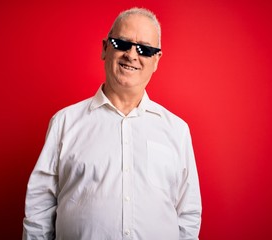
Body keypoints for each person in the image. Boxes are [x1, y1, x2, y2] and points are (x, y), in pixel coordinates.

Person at [23, 7, 202, 240]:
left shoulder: (177, 130)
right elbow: (39, 209)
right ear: (105, 48)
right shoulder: (64, 123)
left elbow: (188, 214)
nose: (131, 55)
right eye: (122, 44)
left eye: (145, 49)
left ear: (156, 60)